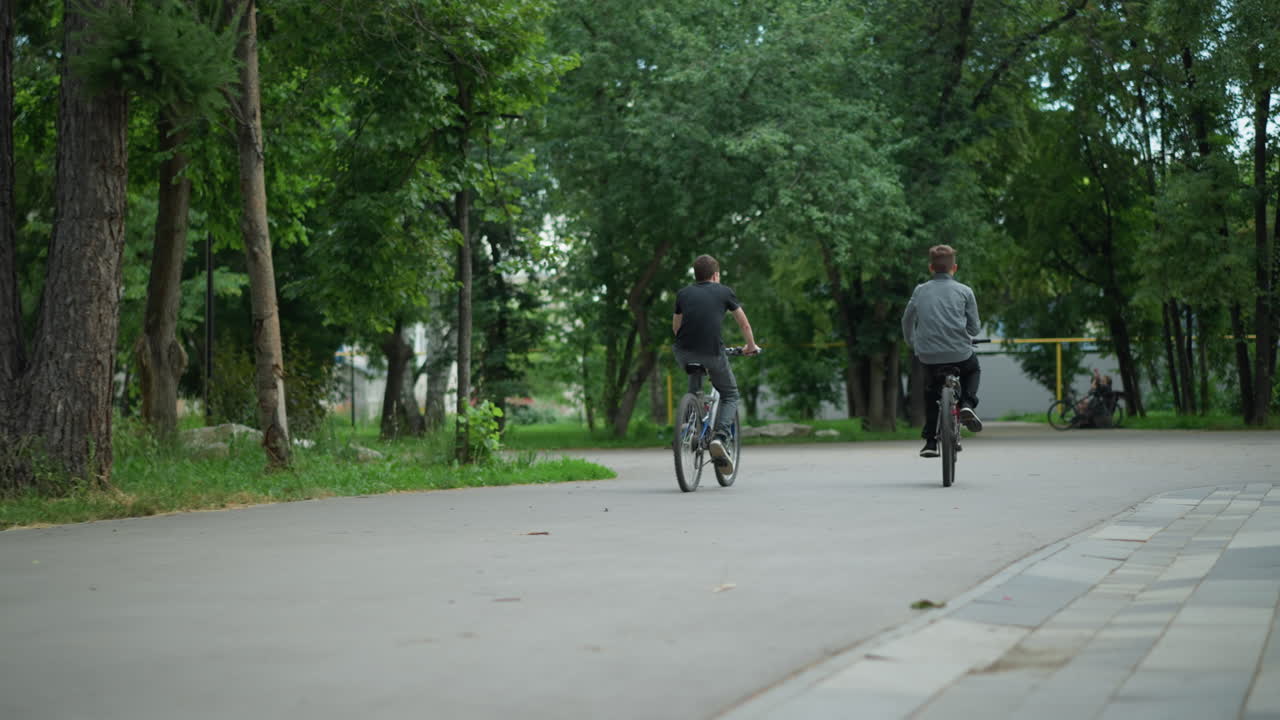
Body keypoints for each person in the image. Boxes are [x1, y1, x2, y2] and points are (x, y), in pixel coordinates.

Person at [673, 255, 760, 475]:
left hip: (683, 352)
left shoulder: (683, 294)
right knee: (730, 394)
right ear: (715, 275)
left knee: (695, 375)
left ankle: (689, 424)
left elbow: (677, 327)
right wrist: (750, 346)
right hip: (712, 353)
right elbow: (744, 323)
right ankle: (720, 437)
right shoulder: (724, 291)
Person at [901, 244, 983, 458]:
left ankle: (929, 441)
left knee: (932, 391)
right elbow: (974, 328)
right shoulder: (965, 291)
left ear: (931, 268)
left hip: (928, 356)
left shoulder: (919, 291)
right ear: (954, 268)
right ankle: (967, 403)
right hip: (960, 353)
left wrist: (912, 342)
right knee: (973, 369)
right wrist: (966, 334)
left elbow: (907, 319)